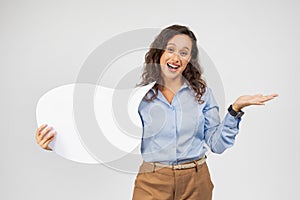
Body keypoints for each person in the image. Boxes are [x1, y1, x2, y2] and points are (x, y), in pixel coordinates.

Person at [35, 25, 278, 200]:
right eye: (171, 49)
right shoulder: (137, 99)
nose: (176, 56)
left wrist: (235, 111)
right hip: (152, 181)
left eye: (184, 52)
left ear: (189, 60)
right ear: (160, 54)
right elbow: (100, 132)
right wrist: (58, 142)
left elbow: (217, 144)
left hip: (196, 181)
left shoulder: (202, 95)